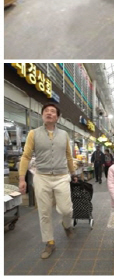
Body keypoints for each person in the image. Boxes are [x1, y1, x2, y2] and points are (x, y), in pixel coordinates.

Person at [18, 103, 76, 259]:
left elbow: (69, 156)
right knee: (44, 212)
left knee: (66, 209)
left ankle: (66, 224)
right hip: (42, 177)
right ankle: (49, 242)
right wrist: (22, 178)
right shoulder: (33, 134)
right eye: (46, 111)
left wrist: (73, 173)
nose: (49, 113)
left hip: (62, 176)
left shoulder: (64, 135)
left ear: (57, 117)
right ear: (42, 115)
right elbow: (26, 156)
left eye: (52, 111)